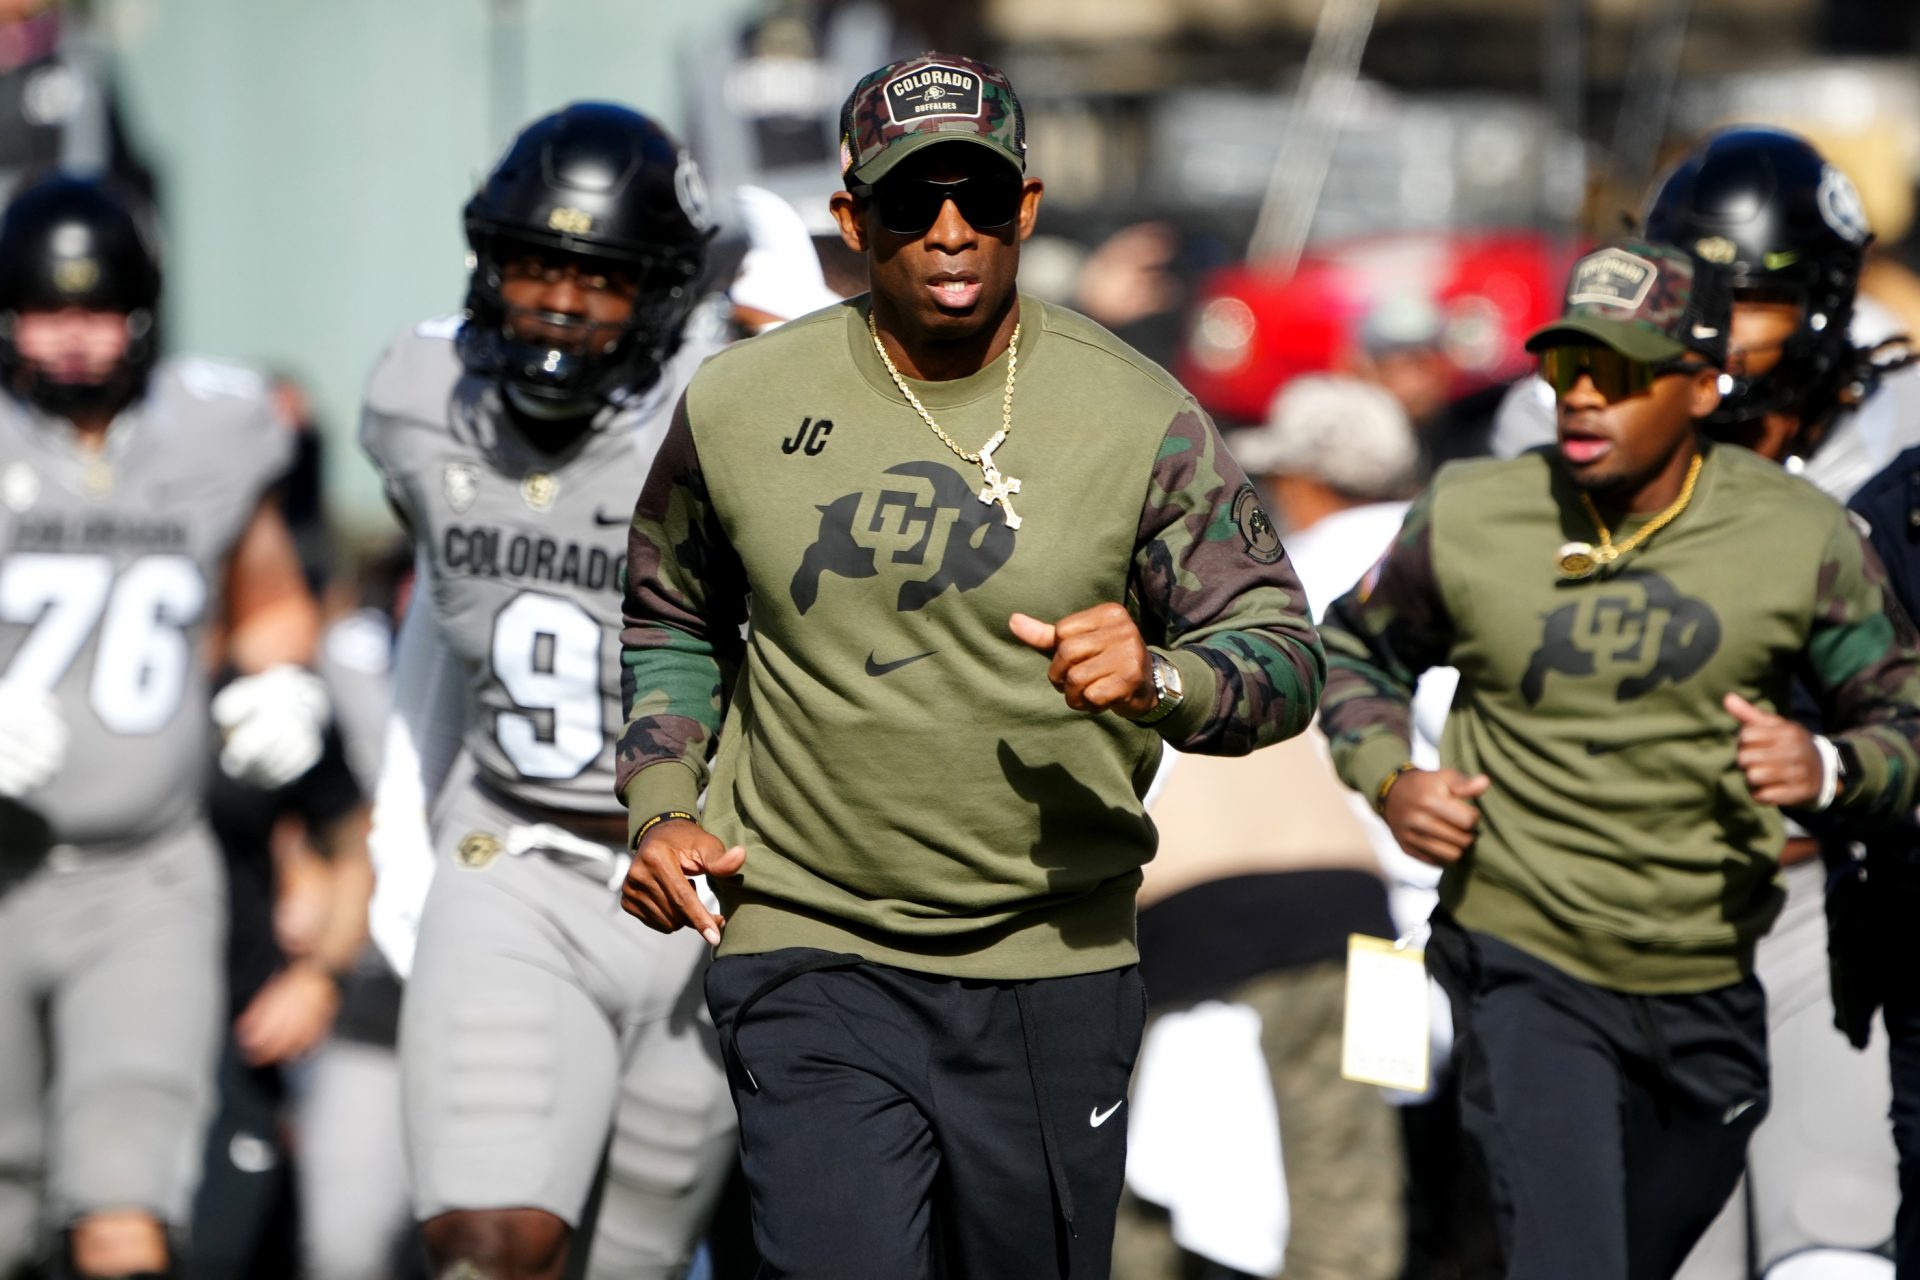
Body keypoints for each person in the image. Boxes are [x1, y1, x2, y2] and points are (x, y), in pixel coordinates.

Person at [616, 51, 1325, 1280]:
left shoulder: (1134, 411)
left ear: (1027, 211)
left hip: (1048, 960)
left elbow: (1281, 652)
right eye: (911, 202)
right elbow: (668, 614)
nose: (951, 233)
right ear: (854, 220)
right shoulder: (739, 402)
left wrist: (1161, 675)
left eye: (982, 201)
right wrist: (663, 806)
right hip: (809, 938)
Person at [1318, 237, 1920, 1280]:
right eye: (1567, 366)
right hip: (1525, 958)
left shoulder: (1800, 532)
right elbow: (1350, 649)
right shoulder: (1474, 511)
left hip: (1710, 970)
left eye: (1624, 372)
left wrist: (1823, 767)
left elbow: (1903, 724)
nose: (1584, 396)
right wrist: (1391, 776)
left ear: (1700, 385)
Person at [358, 103, 739, 1280]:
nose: (562, 301)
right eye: (535, 265)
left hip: (705, 886)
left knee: (638, 1257)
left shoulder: (732, 417)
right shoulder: (422, 398)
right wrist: (400, 829)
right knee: (489, 1244)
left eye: (600, 277)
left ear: (664, 293)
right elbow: (447, 611)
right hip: (511, 852)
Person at [0, 173, 325, 1280]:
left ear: (142, 312)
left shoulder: (210, 427)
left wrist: (281, 678)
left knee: (125, 1197)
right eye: (47, 312)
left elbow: (271, 599)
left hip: (146, 876)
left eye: (95, 313)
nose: (73, 341)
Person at [1641, 125, 1911, 1279]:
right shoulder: (1587, 420)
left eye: (1738, 299)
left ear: (1815, 301)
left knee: (1832, 1243)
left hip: (1833, 883)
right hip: (1642, 904)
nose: (1703, 328)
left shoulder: (1896, 446)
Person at [1113, 375, 1417, 1280]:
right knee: (1357, 1172)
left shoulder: (1269, 583)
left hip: (1196, 915)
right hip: (1370, 919)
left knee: (1146, 1180)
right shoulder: (1435, 552)